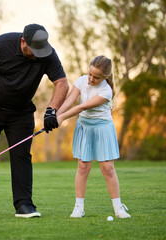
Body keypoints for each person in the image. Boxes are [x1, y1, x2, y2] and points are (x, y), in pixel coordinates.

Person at [0, 24, 69, 218]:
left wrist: (51, 110)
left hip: (21, 112)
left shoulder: (47, 54)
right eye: (33, 51)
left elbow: (62, 83)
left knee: (22, 156)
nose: (37, 55)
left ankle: (24, 205)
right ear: (23, 41)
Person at [56, 55, 131, 218]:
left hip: (102, 128)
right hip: (84, 127)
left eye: (96, 77)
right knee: (83, 166)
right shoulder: (82, 81)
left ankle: (118, 208)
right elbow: (70, 100)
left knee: (107, 168)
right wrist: (55, 116)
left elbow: (82, 107)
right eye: (90, 74)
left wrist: (61, 118)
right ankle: (78, 207)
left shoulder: (106, 90)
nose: (91, 79)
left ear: (106, 77)